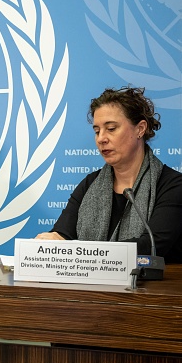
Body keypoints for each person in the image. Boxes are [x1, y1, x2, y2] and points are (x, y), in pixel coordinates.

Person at [36, 87, 182, 262]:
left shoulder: (172, 185)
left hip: (153, 287)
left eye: (111, 128)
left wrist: (82, 251)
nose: (101, 138)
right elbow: (62, 234)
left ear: (140, 129)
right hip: (94, 288)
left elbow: (151, 246)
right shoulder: (90, 184)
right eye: (97, 131)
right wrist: (54, 241)